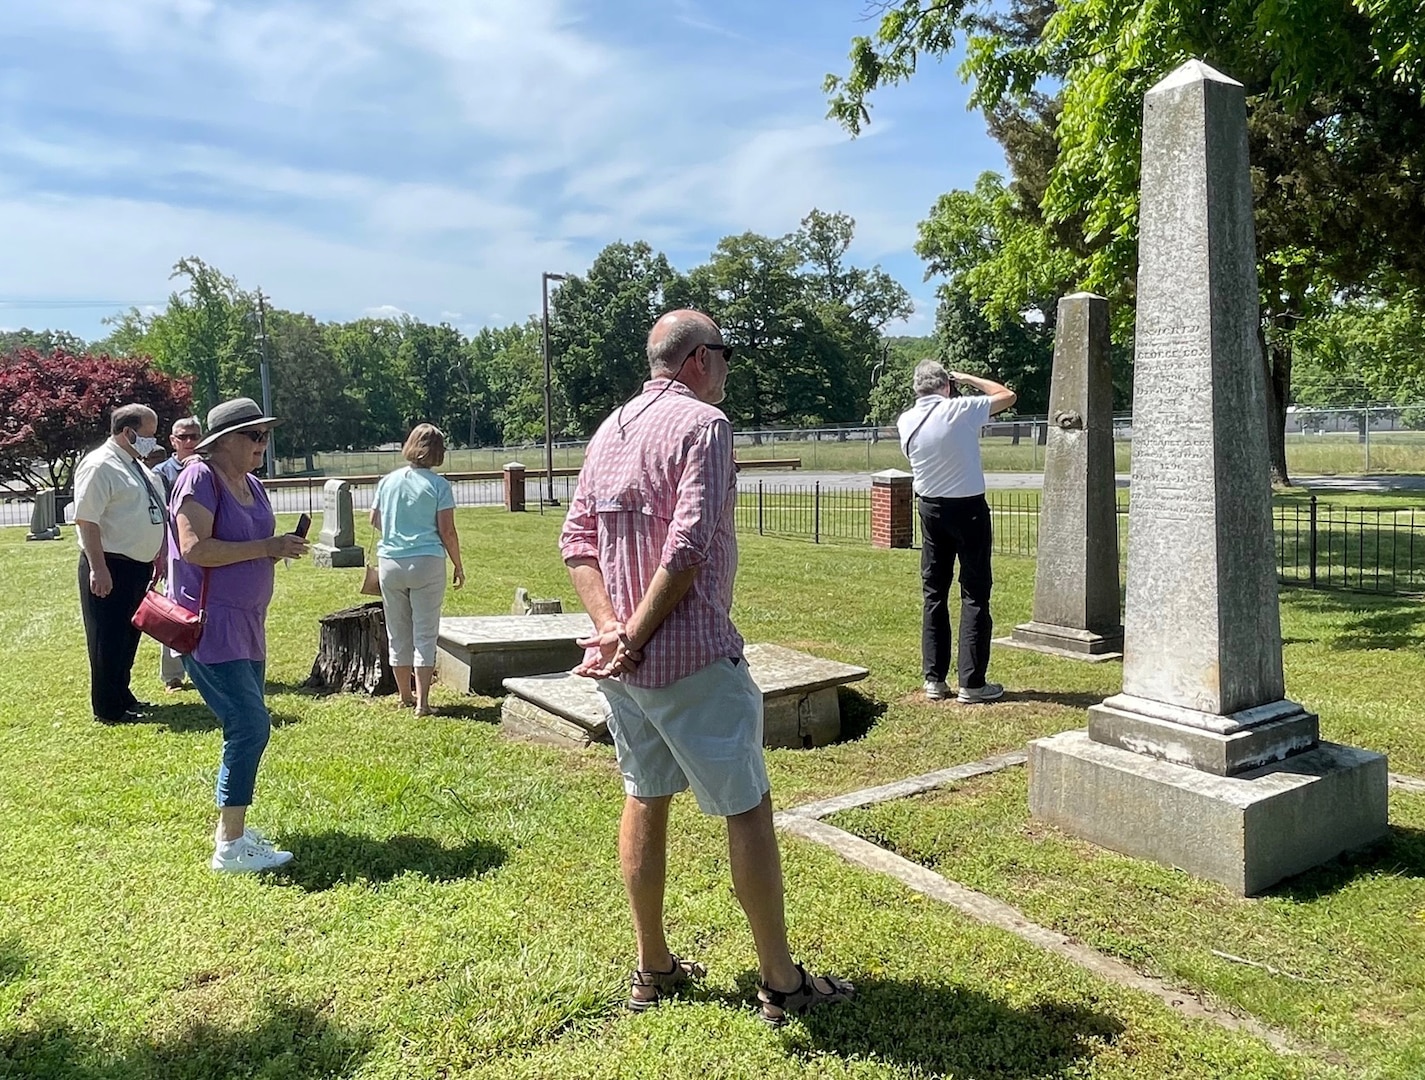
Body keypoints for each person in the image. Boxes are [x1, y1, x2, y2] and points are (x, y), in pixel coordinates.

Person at [559, 309, 854, 1026]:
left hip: (623, 669)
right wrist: (631, 632)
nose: (727, 366)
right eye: (724, 352)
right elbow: (687, 546)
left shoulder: (611, 427)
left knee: (644, 794)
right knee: (746, 806)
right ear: (696, 360)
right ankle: (781, 981)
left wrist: (611, 631)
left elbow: (576, 540)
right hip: (689, 653)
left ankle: (652, 967)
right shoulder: (704, 427)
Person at [169, 398, 308, 873]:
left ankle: (233, 828)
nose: (262, 444)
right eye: (254, 435)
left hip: (247, 622)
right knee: (249, 725)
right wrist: (265, 547)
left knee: (247, 723)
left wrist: (276, 549)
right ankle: (229, 847)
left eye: (265, 435)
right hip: (210, 625)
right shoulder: (199, 478)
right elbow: (194, 549)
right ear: (224, 440)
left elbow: (248, 547)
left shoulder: (251, 483)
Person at [896, 361, 1017, 703]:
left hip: (930, 508)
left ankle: (934, 678)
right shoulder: (960, 410)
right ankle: (972, 682)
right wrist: (967, 378)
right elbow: (1007, 395)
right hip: (969, 509)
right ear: (945, 386)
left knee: (934, 592)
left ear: (917, 388)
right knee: (975, 592)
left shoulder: (905, 421)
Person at [73, 403, 167, 724]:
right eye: (148, 435)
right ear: (128, 432)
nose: (153, 442)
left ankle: (122, 694)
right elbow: (87, 520)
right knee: (107, 638)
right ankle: (108, 707)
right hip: (109, 564)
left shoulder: (134, 465)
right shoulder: (100, 465)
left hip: (137, 567)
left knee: (128, 636)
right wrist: (98, 568)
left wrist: (157, 553)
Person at [370, 424, 465, 715]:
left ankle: (405, 695)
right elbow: (447, 531)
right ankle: (423, 703)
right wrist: (459, 565)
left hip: (390, 562)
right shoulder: (439, 485)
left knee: (397, 632)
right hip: (427, 561)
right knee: (425, 632)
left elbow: (374, 519)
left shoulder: (388, 481)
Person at [153, 416, 203, 690]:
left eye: (194, 436)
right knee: (172, 611)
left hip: (205, 553)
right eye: (183, 437)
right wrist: (159, 555)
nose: (189, 442)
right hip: (174, 555)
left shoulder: (209, 467)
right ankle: (173, 675)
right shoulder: (162, 473)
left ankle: (204, 667)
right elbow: (159, 516)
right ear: (173, 441)